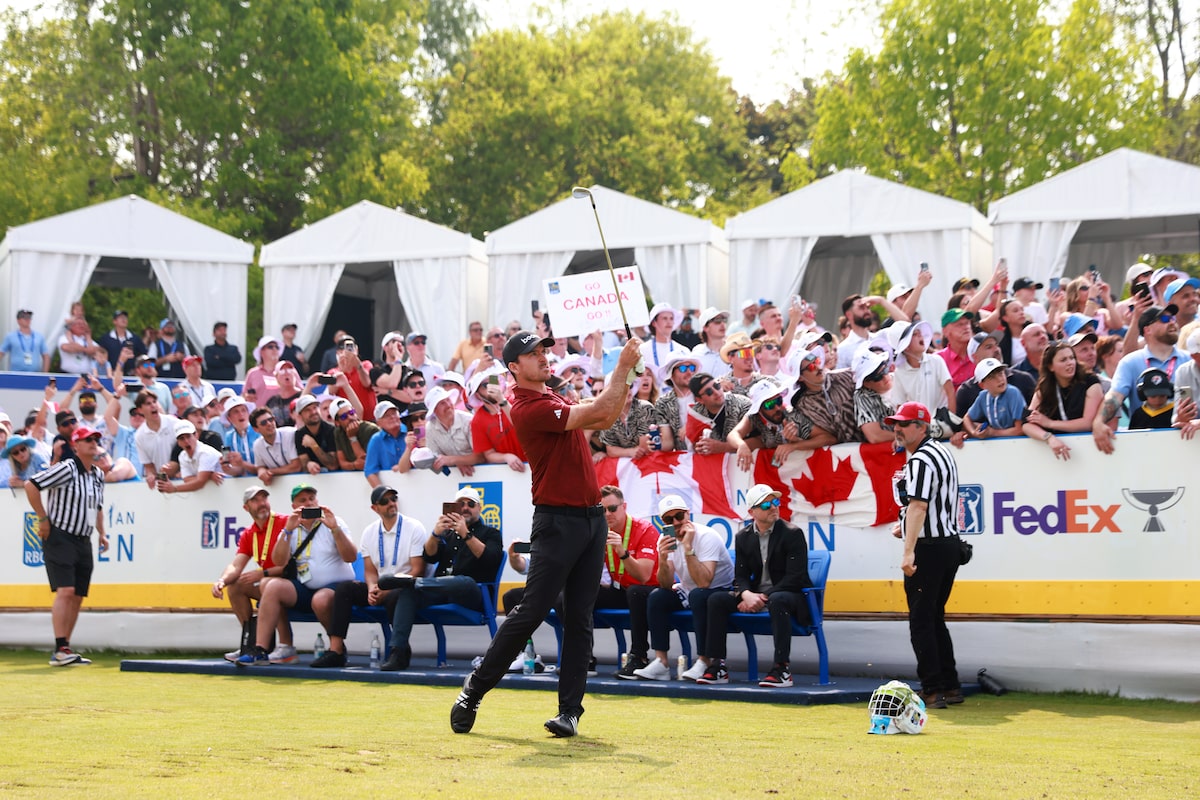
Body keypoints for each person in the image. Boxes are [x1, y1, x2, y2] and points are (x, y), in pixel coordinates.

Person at [451, 329, 642, 738]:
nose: (543, 356)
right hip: (557, 521)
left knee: (579, 618)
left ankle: (569, 712)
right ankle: (475, 690)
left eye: (544, 350)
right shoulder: (526, 407)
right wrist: (623, 367)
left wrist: (626, 377)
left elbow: (605, 416)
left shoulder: (550, 396)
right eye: (533, 353)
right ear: (514, 367)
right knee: (531, 611)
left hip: (591, 520)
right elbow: (600, 411)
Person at [887, 401, 964, 709]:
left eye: (904, 424)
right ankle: (950, 685)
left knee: (921, 621)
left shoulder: (920, 459)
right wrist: (906, 526)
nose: (897, 429)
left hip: (929, 548)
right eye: (896, 424)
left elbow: (919, 505)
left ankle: (932, 689)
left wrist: (908, 552)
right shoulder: (941, 452)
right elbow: (924, 507)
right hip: (949, 544)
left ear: (921, 427)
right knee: (934, 618)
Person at [698, 484, 812, 688]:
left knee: (778, 599)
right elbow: (740, 575)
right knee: (716, 600)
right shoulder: (743, 536)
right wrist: (746, 594)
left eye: (775, 502)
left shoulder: (792, 533)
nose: (773, 507)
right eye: (766, 505)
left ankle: (782, 668)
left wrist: (760, 597)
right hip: (758, 594)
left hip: (789, 595)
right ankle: (717, 665)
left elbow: (795, 577)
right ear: (752, 512)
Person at [384, 486, 503, 672]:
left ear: (479, 508)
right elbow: (429, 556)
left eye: (470, 504)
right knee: (407, 592)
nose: (465, 508)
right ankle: (398, 653)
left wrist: (466, 534)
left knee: (463, 581)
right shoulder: (448, 534)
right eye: (461, 504)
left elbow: (491, 559)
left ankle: (414, 582)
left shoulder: (491, 533)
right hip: (440, 591)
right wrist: (435, 534)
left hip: (473, 595)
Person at [236, 484, 357, 666]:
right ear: (294, 506)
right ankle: (260, 649)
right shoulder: (292, 527)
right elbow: (279, 560)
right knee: (272, 586)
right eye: (303, 500)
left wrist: (335, 529)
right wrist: (287, 531)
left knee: (320, 599)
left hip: (337, 588)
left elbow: (350, 557)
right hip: (306, 588)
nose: (309, 503)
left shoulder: (334, 522)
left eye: (312, 499)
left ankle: (337, 648)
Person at [311, 485, 428, 668]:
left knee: (397, 595)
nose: (391, 503)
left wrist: (386, 589)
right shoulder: (369, 532)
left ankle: (399, 651)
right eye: (385, 501)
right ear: (375, 508)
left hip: (406, 586)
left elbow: (418, 570)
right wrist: (372, 588)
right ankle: (336, 650)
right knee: (345, 589)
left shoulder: (414, 527)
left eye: (393, 498)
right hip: (382, 585)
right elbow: (370, 571)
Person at [24, 425, 108, 666]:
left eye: (95, 439)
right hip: (60, 535)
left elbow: (97, 506)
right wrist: (43, 518)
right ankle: (60, 648)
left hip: (84, 538)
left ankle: (65, 649)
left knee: (78, 595)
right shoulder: (67, 468)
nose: (93, 443)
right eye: (87, 440)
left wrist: (102, 533)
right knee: (66, 590)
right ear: (75, 445)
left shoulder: (98, 474)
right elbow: (31, 485)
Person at [630, 494, 735, 683]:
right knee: (657, 596)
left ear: (688, 514)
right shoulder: (665, 539)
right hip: (691, 591)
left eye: (679, 516)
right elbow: (666, 584)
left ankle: (704, 661)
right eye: (669, 519)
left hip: (721, 590)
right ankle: (661, 662)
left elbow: (704, 582)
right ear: (663, 522)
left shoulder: (707, 536)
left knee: (698, 595)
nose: (676, 523)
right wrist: (663, 558)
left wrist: (687, 547)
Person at [212, 485, 295, 663]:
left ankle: (286, 646)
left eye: (264, 498)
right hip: (271, 582)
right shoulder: (249, 533)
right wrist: (221, 581)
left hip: (293, 583)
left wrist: (263, 574)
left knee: (269, 585)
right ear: (246, 507)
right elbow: (236, 565)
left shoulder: (285, 522)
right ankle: (250, 642)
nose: (262, 503)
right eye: (255, 500)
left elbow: (292, 565)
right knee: (236, 585)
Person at [1093, 304, 1190, 453]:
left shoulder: (1191, 359)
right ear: (1147, 329)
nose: (1172, 322)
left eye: (1173, 318)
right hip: (1144, 446)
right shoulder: (1130, 362)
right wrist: (1099, 421)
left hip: (1188, 443)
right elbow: (1115, 396)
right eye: (1165, 319)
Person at [1023, 341, 1103, 460]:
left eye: (1071, 358)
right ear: (1050, 367)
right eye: (1063, 360)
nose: (1070, 363)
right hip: (1058, 452)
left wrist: (1049, 423)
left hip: (1091, 448)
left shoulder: (1090, 381)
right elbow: (1027, 424)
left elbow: (1087, 423)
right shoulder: (1045, 387)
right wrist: (1049, 438)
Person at [687, 372, 752, 455]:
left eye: (716, 386)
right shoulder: (696, 414)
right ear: (700, 400)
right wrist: (700, 447)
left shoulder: (743, 404)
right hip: (715, 462)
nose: (717, 393)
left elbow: (760, 440)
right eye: (709, 392)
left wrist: (723, 447)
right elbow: (693, 445)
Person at [962, 358, 1025, 440]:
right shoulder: (983, 396)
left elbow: (1020, 430)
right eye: (992, 377)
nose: (999, 379)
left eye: (1000, 373)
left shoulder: (1013, 393)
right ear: (982, 385)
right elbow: (966, 418)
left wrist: (992, 432)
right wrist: (974, 433)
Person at [157, 420, 223, 494]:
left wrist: (174, 489)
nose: (186, 441)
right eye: (182, 438)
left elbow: (200, 483)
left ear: (196, 436)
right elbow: (187, 479)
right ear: (178, 442)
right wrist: (208, 477)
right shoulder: (182, 456)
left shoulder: (206, 453)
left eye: (188, 436)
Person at [133, 390, 180, 489]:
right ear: (140, 410)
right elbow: (148, 466)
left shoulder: (175, 423)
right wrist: (150, 475)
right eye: (148, 404)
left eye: (154, 402)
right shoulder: (139, 436)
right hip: (163, 483)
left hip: (182, 479)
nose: (153, 405)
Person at [250, 407, 302, 484]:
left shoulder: (290, 434)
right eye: (263, 423)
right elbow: (260, 466)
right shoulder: (257, 445)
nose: (269, 424)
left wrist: (270, 472)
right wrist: (261, 471)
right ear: (256, 429)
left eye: (271, 419)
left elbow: (296, 466)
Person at [293, 394, 339, 474]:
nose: (313, 412)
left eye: (315, 407)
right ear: (300, 416)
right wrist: (308, 464)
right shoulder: (299, 434)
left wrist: (313, 445)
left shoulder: (332, 430)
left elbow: (333, 465)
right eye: (307, 410)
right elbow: (304, 462)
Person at [97, 309, 147, 377]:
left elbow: (143, 356)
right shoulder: (106, 339)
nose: (124, 319)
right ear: (114, 321)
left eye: (125, 318)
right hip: (112, 376)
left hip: (132, 376)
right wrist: (108, 370)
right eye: (121, 318)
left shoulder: (135, 338)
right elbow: (100, 356)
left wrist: (137, 370)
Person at [244, 335, 283, 406]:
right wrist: (247, 397)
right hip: (258, 412)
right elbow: (244, 396)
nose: (275, 349)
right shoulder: (252, 373)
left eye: (277, 347)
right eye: (270, 347)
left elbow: (300, 394)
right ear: (261, 352)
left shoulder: (288, 370)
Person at [690, 307, 729, 376]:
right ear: (705, 327)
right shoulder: (696, 355)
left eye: (724, 320)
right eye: (717, 321)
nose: (722, 324)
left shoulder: (733, 351)